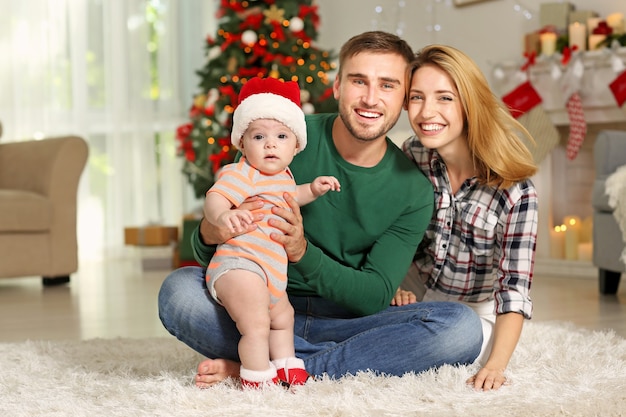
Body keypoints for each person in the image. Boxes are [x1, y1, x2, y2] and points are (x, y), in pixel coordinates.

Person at [158, 31, 483, 389]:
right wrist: (214, 228)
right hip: (256, 301)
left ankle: (267, 366)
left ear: (405, 98)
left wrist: (300, 251)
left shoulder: (413, 190)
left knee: (460, 328)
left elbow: (373, 295)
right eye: (359, 81)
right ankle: (297, 362)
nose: (371, 99)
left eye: (388, 85)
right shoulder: (277, 133)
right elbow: (208, 250)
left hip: (347, 321)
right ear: (337, 86)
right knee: (179, 292)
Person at [395, 44, 538, 391]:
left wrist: (497, 366)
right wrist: (394, 281)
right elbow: (393, 231)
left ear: (468, 103)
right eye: (416, 97)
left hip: (473, 312)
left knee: (456, 340)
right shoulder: (414, 154)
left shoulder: (516, 191)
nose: (427, 112)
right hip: (415, 290)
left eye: (444, 98)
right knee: (351, 307)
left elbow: (514, 290)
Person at [204, 77, 341, 388]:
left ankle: (285, 367)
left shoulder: (283, 178)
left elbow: (293, 194)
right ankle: (256, 378)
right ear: (242, 143)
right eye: (258, 136)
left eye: (281, 136)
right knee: (257, 324)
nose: (270, 144)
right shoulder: (242, 173)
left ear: (295, 147)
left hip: (271, 275)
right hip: (240, 265)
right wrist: (224, 215)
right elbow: (215, 197)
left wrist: (314, 189)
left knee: (283, 318)